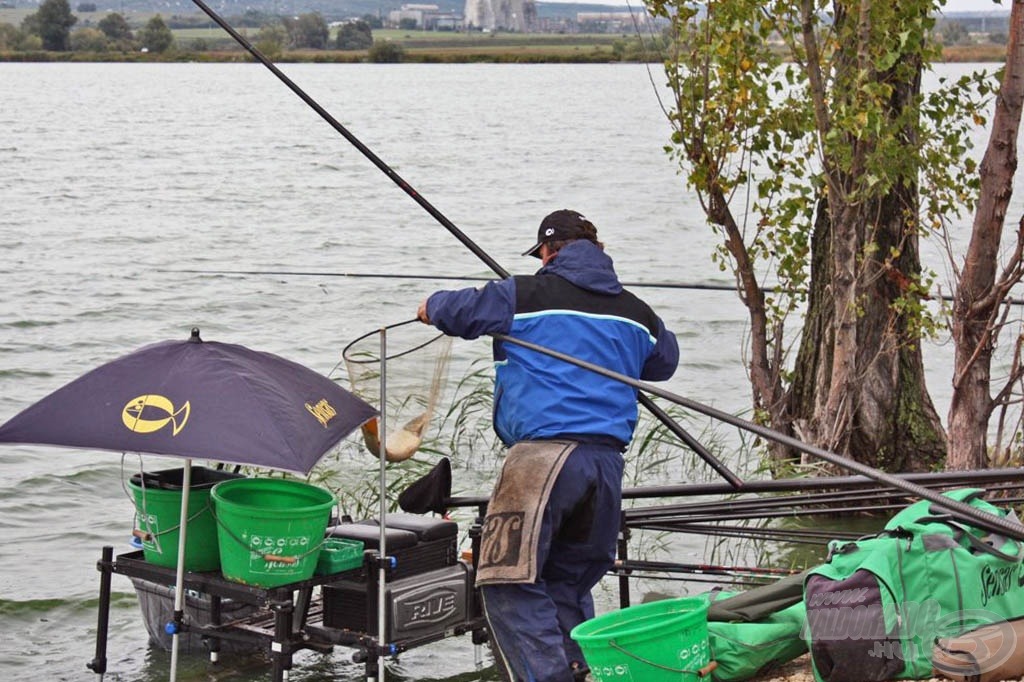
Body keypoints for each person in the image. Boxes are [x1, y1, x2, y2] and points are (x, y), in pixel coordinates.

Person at [416, 209, 679, 682]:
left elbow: (457, 310)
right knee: (565, 582)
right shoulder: (638, 313)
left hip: (542, 460)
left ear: (548, 252)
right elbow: (664, 362)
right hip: (605, 466)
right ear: (597, 251)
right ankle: (580, 673)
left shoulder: (524, 293)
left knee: (506, 581)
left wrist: (429, 305)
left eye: (540, 255)